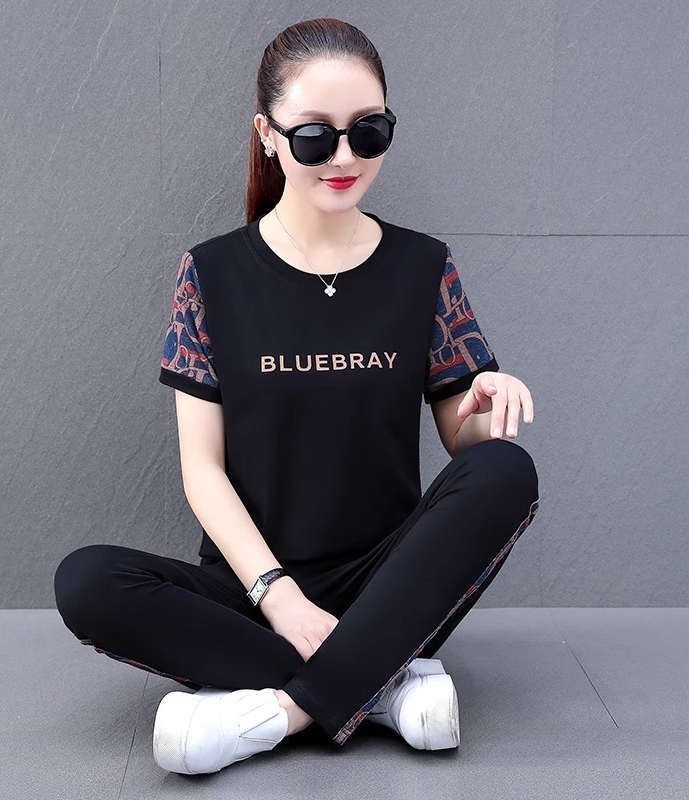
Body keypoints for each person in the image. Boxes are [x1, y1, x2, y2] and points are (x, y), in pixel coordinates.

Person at [53, 17, 540, 776]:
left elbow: (462, 440)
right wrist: (278, 597)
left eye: (368, 132)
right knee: (86, 583)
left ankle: (278, 713)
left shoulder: (424, 267)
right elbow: (201, 470)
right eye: (315, 136)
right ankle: (381, 685)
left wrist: (485, 403)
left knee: (507, 469)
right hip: (251, 588)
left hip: (388, 583)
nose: (344, 158)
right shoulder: (211, 274)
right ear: (268, 135)